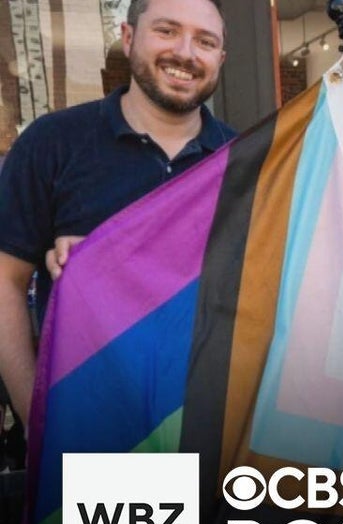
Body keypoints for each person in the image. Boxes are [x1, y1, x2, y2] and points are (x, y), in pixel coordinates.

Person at [0, 0, 234, 428]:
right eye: (166, 31)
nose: (185, 52)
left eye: (205, 41)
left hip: (217, 431)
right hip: (95, 429)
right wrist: (36, 418)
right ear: (128, 39)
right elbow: (4, 280)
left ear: (219, 58)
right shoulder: (52, 142)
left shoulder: (246, 163)